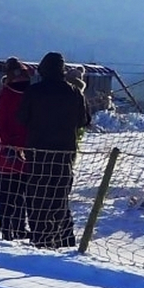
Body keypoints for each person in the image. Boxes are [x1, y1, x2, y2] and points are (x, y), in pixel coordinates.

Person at [16, 51, 90, 248]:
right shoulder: (74, 92)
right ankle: (65, 240)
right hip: (64, 154)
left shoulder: (34, 91)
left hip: (38, 153)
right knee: (60, 198)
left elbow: (21, 118)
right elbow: (84, 120)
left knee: (37, 198)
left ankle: (41, 239)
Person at [0, 59, 32, 240]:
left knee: (15, 192)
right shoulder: (1, 100)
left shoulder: (14, 97)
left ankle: (16, 227)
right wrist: (4, 143)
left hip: (12, 151)